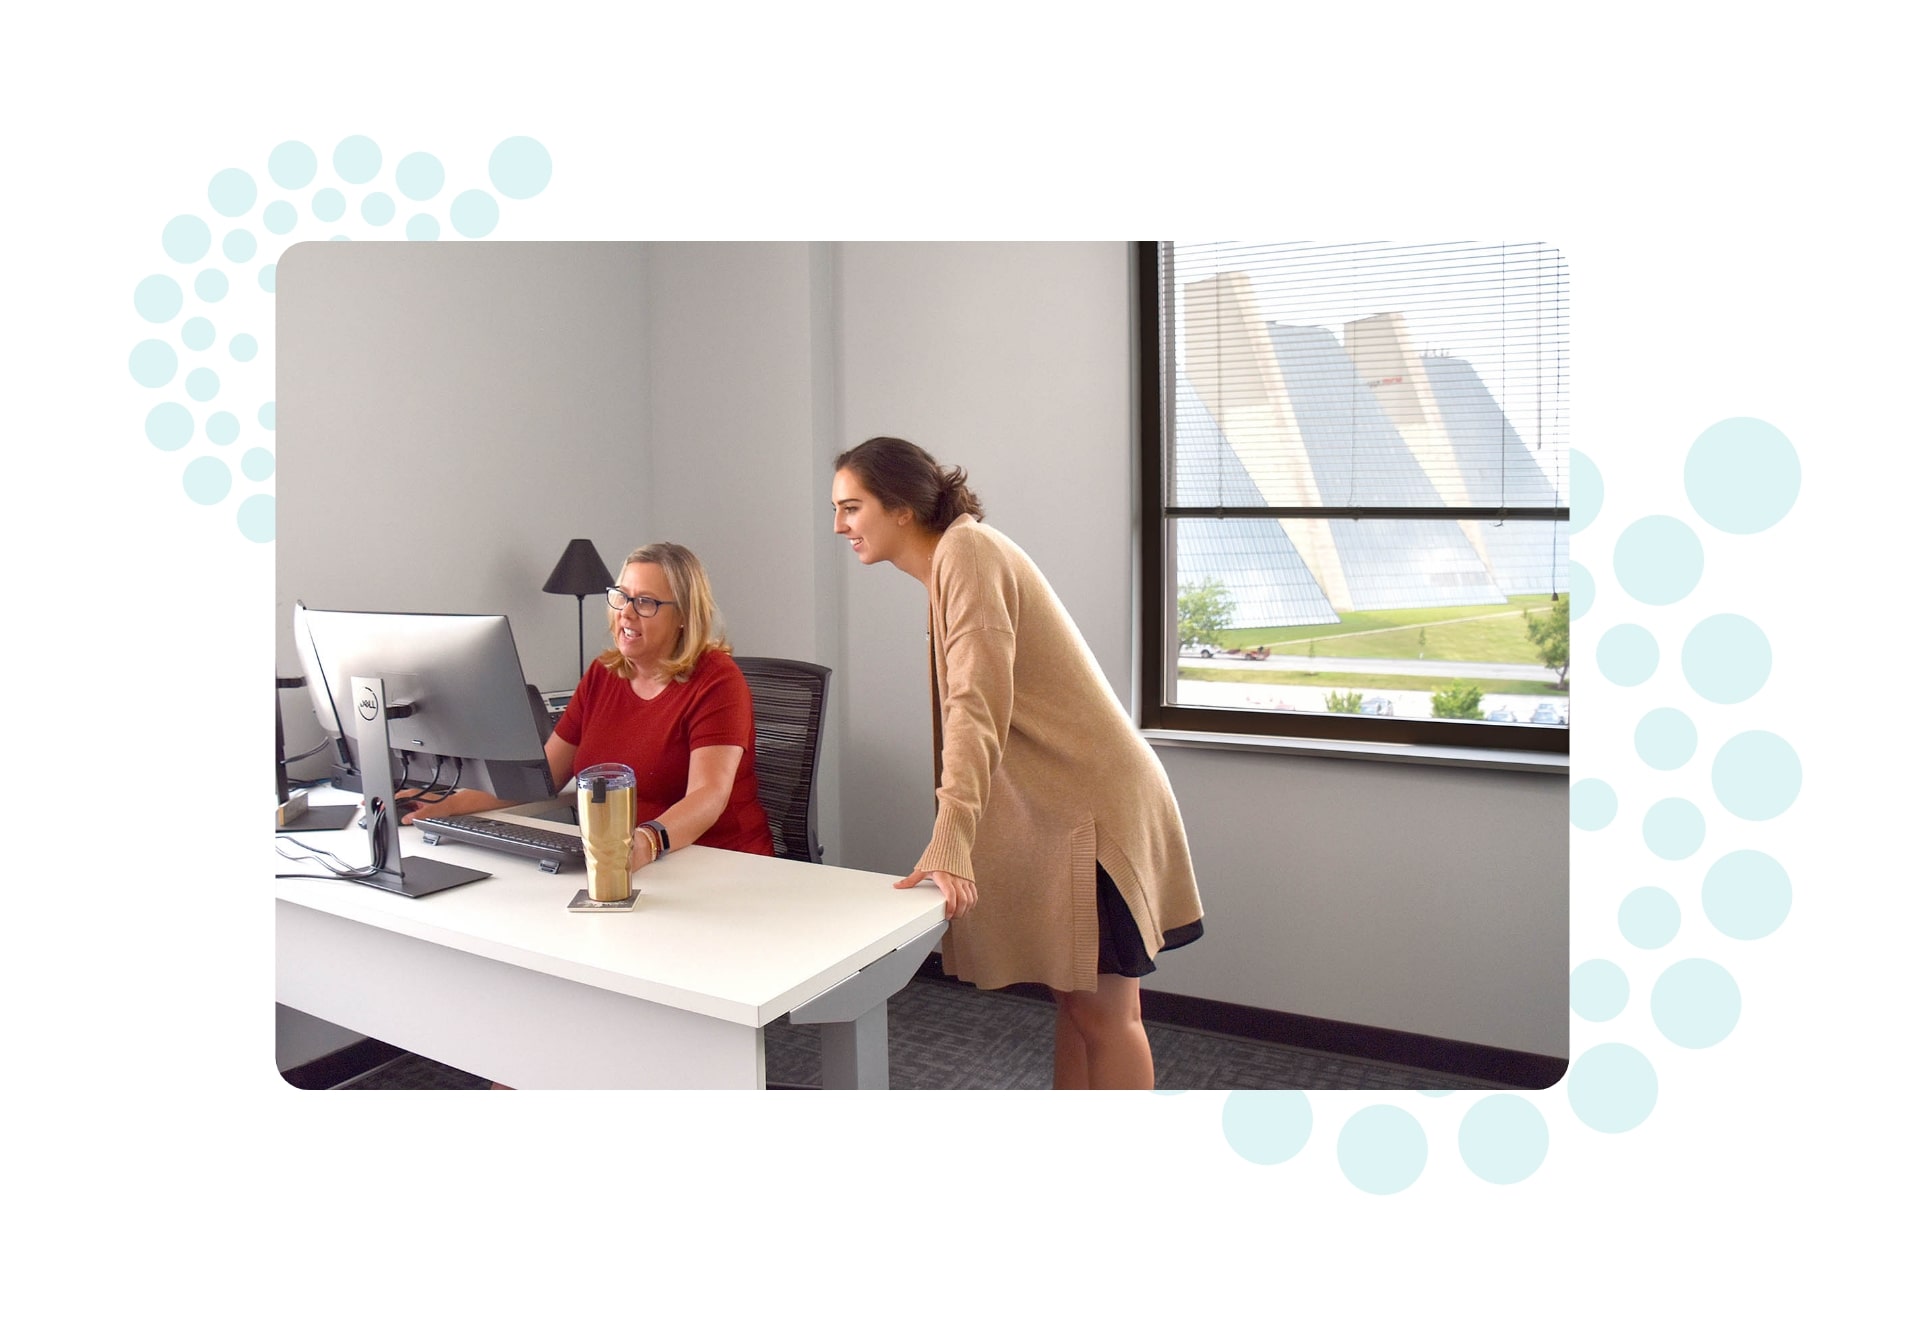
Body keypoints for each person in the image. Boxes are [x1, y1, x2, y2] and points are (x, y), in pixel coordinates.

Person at [831, 437, 1204, 1090]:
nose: (839, 526)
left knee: (1107, 1017)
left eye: (851, 507)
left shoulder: (967, 555)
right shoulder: (956, 558)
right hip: (1076, 801)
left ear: (901, 507)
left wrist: (951, 837)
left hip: (1094, 811)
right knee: (1076, 1002)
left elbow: (975, 708)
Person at [400, 541, 774, 866]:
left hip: (721, 864)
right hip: (625, 862)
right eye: (622, 596)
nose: (626, 612)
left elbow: (708, 795)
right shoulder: (602, 674)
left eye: (645, 602)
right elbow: (542, 778)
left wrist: (646, 842)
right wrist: (446, 803)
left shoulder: (717, 680)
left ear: (683, 616)